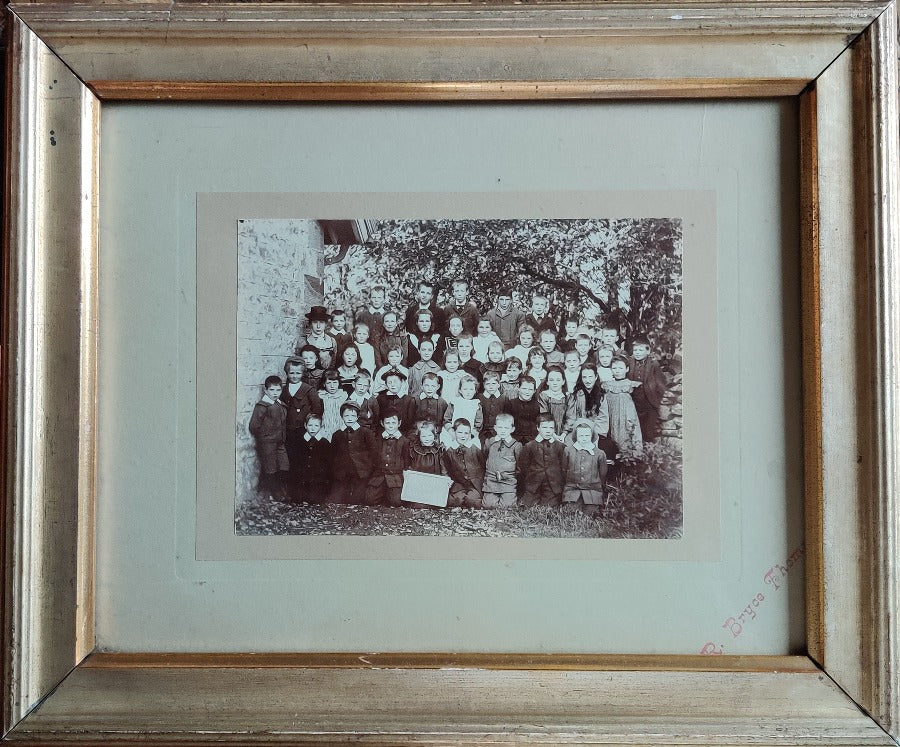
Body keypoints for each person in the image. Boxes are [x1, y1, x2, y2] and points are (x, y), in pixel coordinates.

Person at [279, 357, 323, 481]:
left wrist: (311, 426)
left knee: (303, 458)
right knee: (290, 458)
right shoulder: (283, 390)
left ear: (303, 373)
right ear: (287, 373)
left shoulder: (309, 390)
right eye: (291, 373)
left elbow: (317, 410)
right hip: (288, 431)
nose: (294, 376)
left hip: (304, 431)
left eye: (298, 373)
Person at [248, 375, 289, 499]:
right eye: (272, 390)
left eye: (278, 390)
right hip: (268, 442)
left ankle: (282, 490)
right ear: (265, 390)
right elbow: (254, 426)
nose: (275, 393)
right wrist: (265, 436)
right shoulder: (262, 406)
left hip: (280, 441)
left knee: (284, 465)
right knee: (270, 467)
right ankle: (276, 493)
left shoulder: (280, 404)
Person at [327, 402, 377, 505]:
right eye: (346, 416)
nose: (350, 418)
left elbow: (373, 453)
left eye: (353, 416)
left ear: (358, 416)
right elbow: (332, 455)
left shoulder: (365, 432)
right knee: (336, 500)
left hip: (360, 473)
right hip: (342, 473)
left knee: (356, 500)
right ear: (342, 417)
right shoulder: (337, 434)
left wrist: (367, 469)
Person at [562, 420, 610, 517]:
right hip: (573, 490)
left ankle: (592, 507)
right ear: (576, 436)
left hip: (592, 492)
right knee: (572, 512)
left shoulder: (599, 453)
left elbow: (602, 474)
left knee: (591, 514)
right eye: (581, 436)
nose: (584, 439)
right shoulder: (568, 451)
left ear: (592, 436)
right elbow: (564, 470)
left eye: (587, 436)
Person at [517, 414, 566, 507]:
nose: (548, 431)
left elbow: (564, 468)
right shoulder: (529, 446)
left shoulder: (560, 447)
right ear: (538, 428)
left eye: (551, 428)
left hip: (552, 486)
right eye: (544, 427)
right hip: (533, 485)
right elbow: (523, 467)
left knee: (548, 506)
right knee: (527, 505)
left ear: (554, 429)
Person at [367, 409, 410, 507]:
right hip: (379, 476)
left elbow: (407, 460)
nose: (390, 426)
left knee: (396, 502)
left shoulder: (404, 441)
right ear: (382, 423)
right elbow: (373, 458)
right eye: (387, 423)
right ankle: (383, 492)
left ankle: (390, 494)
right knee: (369, 500)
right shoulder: (378, 439)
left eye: (393, 423)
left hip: (395, 477)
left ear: (399, 423)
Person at [628, 335, 667, 442]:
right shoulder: (630, 362)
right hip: (635, 402)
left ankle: (649, 453)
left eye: (640, 350)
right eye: (635, 350)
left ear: (648, 351)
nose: (637, 352)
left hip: (649, 402)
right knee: (636, 429)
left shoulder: (653, 364)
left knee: (649, 431)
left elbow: (661, 383)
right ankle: (637, 453)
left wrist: (657, 398)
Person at [602, 356, 643, 456]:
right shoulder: (606, 385)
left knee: (627, 440)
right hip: (611, 417)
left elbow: (638, 405)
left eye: (620, 368)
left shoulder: (631, 385)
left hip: (627, 417)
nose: (617, 371)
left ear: (627, 369)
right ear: (611, 369)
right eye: (614, 368)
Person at [442, 419, 485, 508]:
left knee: (472, 500)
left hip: (474, 484)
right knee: (453, 501)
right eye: (460, 432)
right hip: (458, 484)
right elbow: (446, 469)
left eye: (466, 433)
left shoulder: (475, 449)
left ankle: (468, 500)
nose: (463, 436)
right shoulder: (449, 451)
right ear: (454, 432)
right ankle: (462, 499)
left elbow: (483, 466)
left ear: (470, 434)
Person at [481, 413, 522, 509]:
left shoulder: (516, 445)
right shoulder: (490, 442)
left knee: (507, 506)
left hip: (508, 482)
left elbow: (519, 467)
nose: (503, 431)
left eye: (506, 428)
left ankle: (510, 497)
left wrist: (510, 477)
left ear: (512, 429)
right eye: (500, 427)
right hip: (492, 481)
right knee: (488, 505)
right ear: (495, 428)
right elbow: (485, 457)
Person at [564, 363, 610, 439]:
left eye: (590, 377)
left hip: (596, 432)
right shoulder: (575, 395)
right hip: (578, 431)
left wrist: (590, 433)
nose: (588, 381)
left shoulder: (601, 395)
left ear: (596, 377)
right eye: (584, 377)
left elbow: (603, 419)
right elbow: (571, 417)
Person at [293, 413, 331, 503]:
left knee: (315, 501)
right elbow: (295, 462)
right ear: (305, 426)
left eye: (316, 425)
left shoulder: (324, 443)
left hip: (317, 481)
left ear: (321, 427)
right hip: (302, 480)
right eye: (310, 425)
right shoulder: (299, 442)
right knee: (299, 500)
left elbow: (327, 464)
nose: (313, 428)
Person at [442, 374, 483, 447]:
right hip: (453, 433)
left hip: (469, 435)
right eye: (465, 389)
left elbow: (478, 424)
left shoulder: (476, 404)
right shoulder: (454, 402)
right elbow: (447, 419)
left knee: (472, 448)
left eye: (471, 389)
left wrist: (471, 435)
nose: (468, 392)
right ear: (460, 390)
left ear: (475, 391)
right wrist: (451, 431)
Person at [408, 372, 448, 436]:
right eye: (427, 385)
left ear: (438, 387)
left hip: (435, 434)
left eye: (433, 386)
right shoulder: (415, 401)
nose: (430, 388)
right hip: (418, 433)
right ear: (421, 386)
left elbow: (443, 421)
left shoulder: (442, 402)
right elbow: (410, 421)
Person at [502, 376, 540, 443]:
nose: (527, 392)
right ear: (518, 388)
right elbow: (506, 423)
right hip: (514, 439)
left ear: (534, 391)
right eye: (524, 388)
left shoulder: (537, 405)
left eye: (530, 389)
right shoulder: (510, 404)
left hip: (532, 439)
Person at [538, 366, 572, 438]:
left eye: (558, 380)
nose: (555, 383)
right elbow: (544, 416)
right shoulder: (544, 395)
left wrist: (563, 435)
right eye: (551, 380)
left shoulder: (568, 396)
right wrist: (553, 435)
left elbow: (570, 417)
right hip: (547, 431)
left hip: (565, 432)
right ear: (547, 382)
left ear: (563, 381)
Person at [304, 306, 337, 370]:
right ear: (310, 324)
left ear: (326, 324)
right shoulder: (304, 341)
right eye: (315, 322)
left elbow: (333, 363)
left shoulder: (332, 341)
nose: (318, 326)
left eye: (321, 322)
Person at [319, 369, 349, 440]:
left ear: (339, 383)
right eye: (329, 383)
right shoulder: (321, 397)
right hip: (325, 429)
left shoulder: (343, 396)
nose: (332, 386)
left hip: (340, 428)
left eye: (335, 383)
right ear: (324, 384)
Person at [478, 370, 506, 441]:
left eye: (493, 383)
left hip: (498, 432)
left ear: (499, 384)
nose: (491, 387)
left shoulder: (503, 398)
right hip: (482, 432)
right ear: (484, 385)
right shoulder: (479, 398)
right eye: (488, 384)